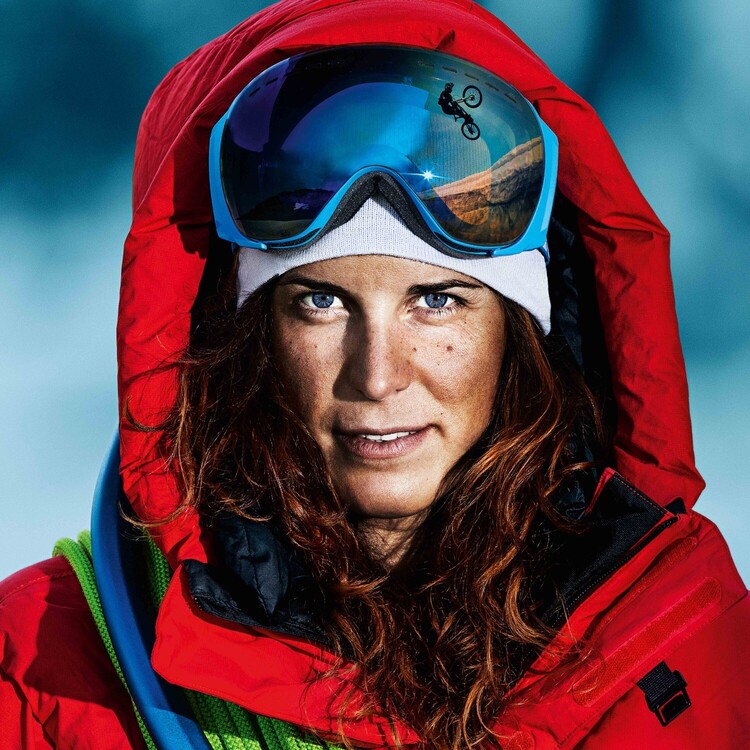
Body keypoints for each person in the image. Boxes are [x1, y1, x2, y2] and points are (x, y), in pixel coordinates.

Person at [1, 0, 748, 748]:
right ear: (249, 336)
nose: (379, 377)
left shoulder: (692, 651)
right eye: (321, 302)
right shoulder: (39, 671)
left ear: (521, 334)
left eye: (436, 301)